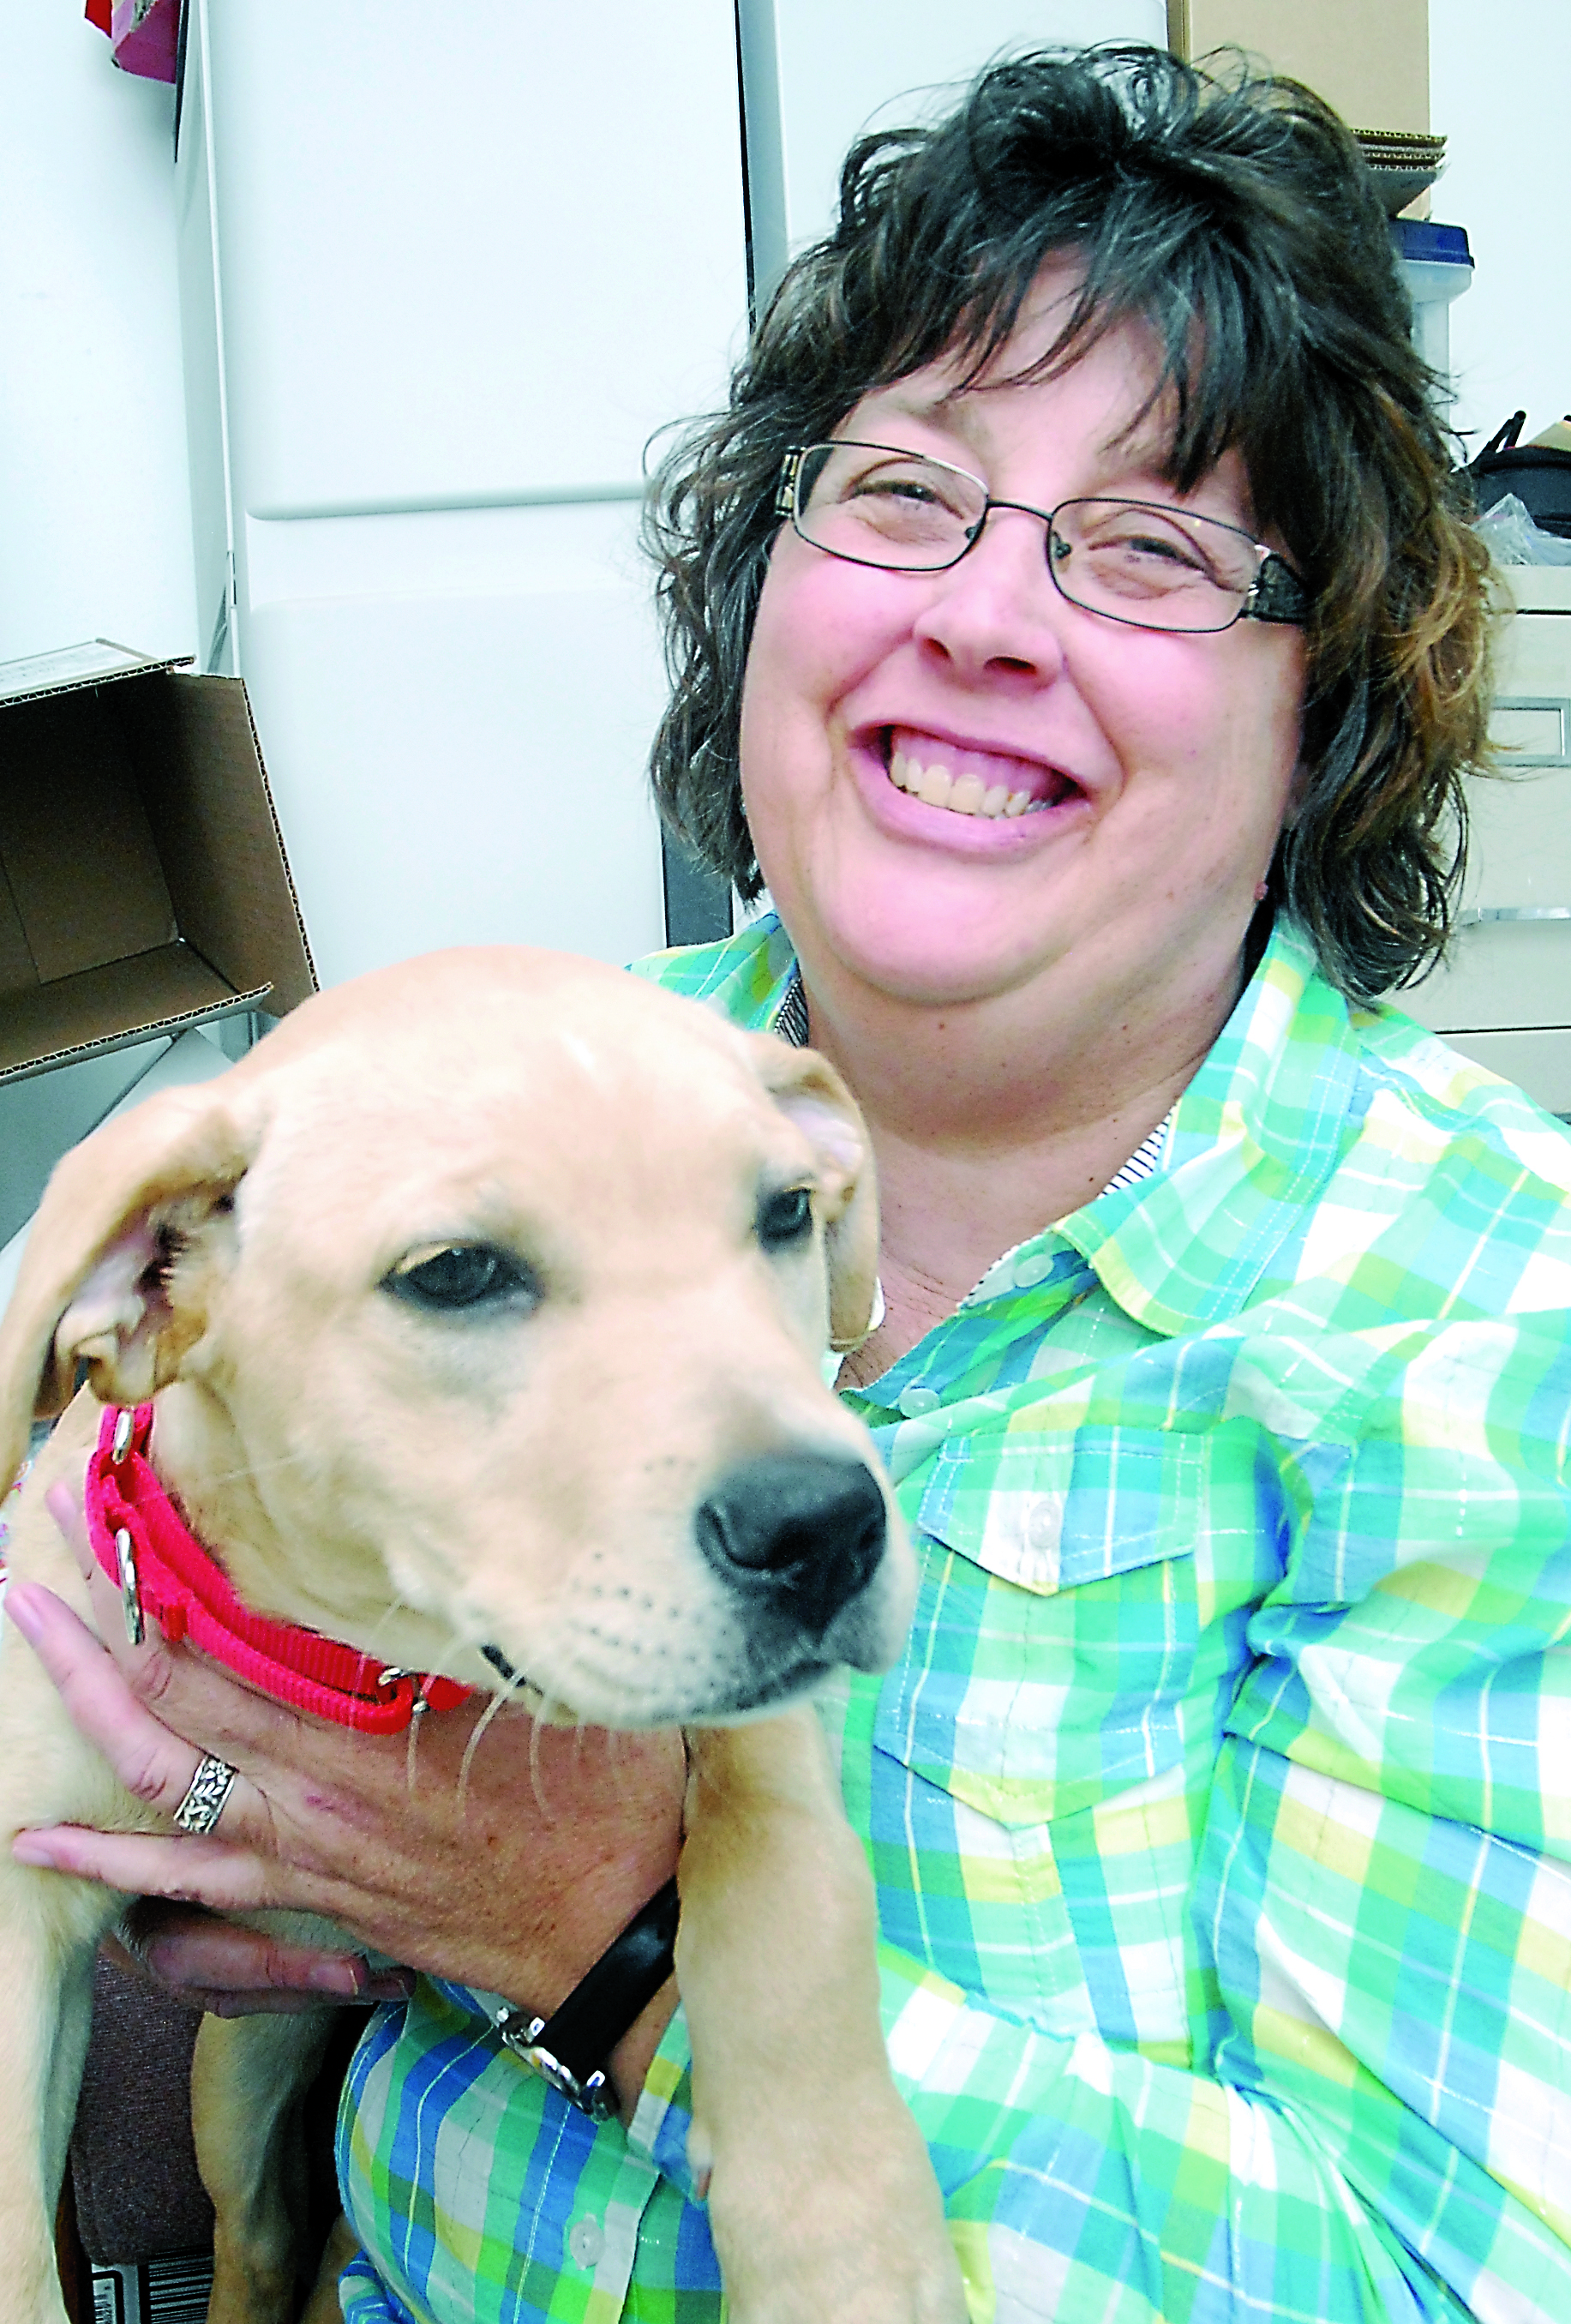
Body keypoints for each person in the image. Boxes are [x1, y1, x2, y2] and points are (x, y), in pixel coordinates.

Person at [9, 40, 1571, 2323]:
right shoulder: (572, 1077)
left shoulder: (1485, 1333)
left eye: (1144, 545)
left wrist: (614, 1937)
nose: (984, 616)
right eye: (903, 495)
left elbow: (1448, 2283)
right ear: (765, 586)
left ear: (1325, 705)